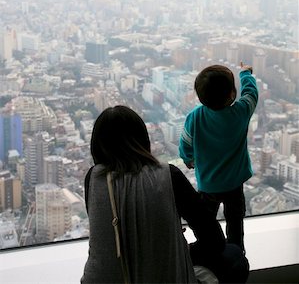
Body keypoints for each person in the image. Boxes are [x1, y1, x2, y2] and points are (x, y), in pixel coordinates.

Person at [81, 105, 249, 284]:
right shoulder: (168, 175)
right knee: (235, 256)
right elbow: (214, 240)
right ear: (143, 139)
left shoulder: (93, 179)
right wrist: (178, 249)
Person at [179, 62, 258, 252]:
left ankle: (209, 248)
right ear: (232, 94)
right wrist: (245, 74)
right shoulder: (241, 112)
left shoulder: (195, 117)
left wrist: (188, 159)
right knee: (235, 222)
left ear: (200, 97)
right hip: (234, 184)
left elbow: (185, 144)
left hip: (208, 185)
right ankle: (237, 252)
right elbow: (251, 94)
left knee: (206, 223)